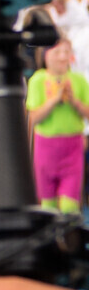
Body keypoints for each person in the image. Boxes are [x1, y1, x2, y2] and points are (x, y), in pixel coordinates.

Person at [26, 39, 89, 214]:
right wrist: (54, 99)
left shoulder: (78, 80)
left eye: (66, 52)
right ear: (45, 55)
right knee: (48, 205)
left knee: (69, 206)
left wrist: (74, 101)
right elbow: (33, 118)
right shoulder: (38, 80)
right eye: (57, 52)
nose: (62, 57)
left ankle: (71, 229)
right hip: (46, 149)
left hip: (72, 147)